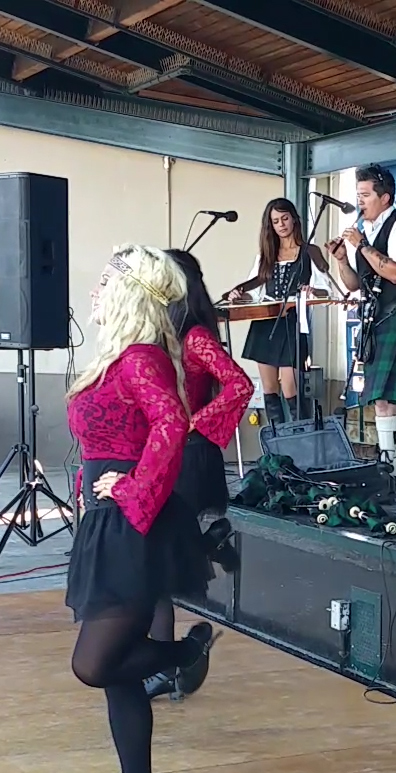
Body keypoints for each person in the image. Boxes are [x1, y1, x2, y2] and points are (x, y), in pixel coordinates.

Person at [64, 245, 218, 773]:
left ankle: (182, 658)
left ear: (130, 294)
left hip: (135, 521)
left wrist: (131, 491)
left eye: (106, 282)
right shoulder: (114, 360)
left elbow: (172, 425)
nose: (96, 290)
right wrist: (88, 494)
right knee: (116, 676)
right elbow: (101, 440)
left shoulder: (140, 358)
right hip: (109, 521)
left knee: (93, 663)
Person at [142, 249, 254, 701]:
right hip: (168, 454)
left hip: (189, 457)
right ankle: (210, 544)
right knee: (157, 567)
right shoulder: (159, 337)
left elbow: (239, 384)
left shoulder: (195, 339)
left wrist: (198, 421)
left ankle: (173, 660)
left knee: (155, 569)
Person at [330, 164, 396, 491]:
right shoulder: (364, 231)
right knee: (380, 397)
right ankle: (394, 468)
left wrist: (364, 245)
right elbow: (355, 284)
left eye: (365, 195)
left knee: (387, 395)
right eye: (357, 195)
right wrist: (343, 259)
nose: (360, 202)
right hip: (374, 318)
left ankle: (392, 464)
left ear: (385, 197)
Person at [231, 198, 330, 422]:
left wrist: (312, 290)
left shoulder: (310, 252)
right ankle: (277, 447)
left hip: (293, 322)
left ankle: (299, 438)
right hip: (265, 322)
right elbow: (254, 292)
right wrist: (240, 295)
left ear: (294, 219)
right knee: (268, 388)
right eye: (275, 221)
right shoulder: (266, 256)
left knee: (290, 387)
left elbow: (327, 289)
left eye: (285, 218)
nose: (281, 225)